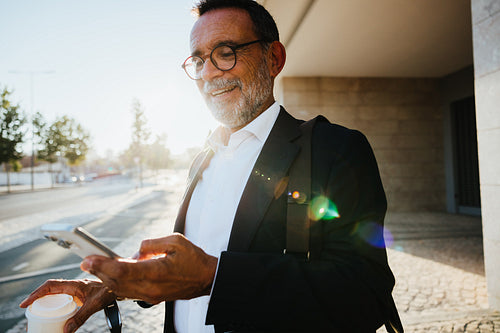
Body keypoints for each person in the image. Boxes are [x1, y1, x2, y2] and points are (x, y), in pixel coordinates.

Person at [20, 0, 403, 332]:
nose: (209, 73)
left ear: (274, 59)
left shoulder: (334, 149)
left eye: (225, 52)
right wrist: (114, 285)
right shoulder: (200, 161)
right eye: (198, 60)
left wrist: (213, 277)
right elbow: (183, 274)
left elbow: (366, 294)